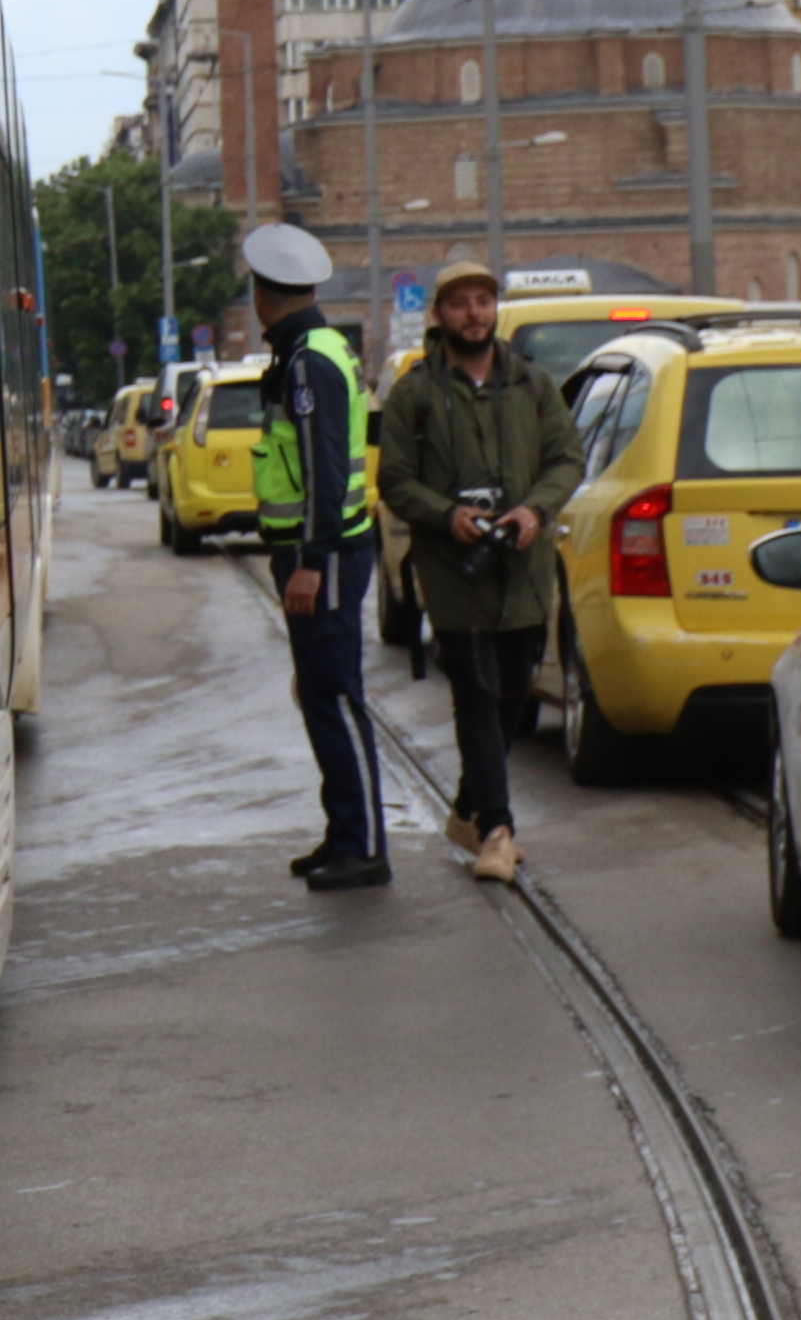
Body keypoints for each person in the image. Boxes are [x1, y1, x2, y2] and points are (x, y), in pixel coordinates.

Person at [377, 258, 580, 888]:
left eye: (483, 302)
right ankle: (497, 831)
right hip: (454, 568)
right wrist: (447, 515)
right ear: (439, 315)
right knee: (475, 689)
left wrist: (533, 510)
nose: (474, 314)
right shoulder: (415, 393)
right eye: (460, 303)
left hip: (521, 564)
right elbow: (394, 480)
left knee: (516, 687)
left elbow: (566, 459)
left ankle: (468, 806)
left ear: (496, 310)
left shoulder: (533, 384)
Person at [245, 223, 387, 889]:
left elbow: (325, 471)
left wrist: (310, 559)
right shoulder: (311, 349)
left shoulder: (309, 362)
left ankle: (366, 847)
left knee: (335, 693)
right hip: (320, 553)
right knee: (321, 695)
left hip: (324, 555)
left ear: (260, 295)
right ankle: (344, 833)